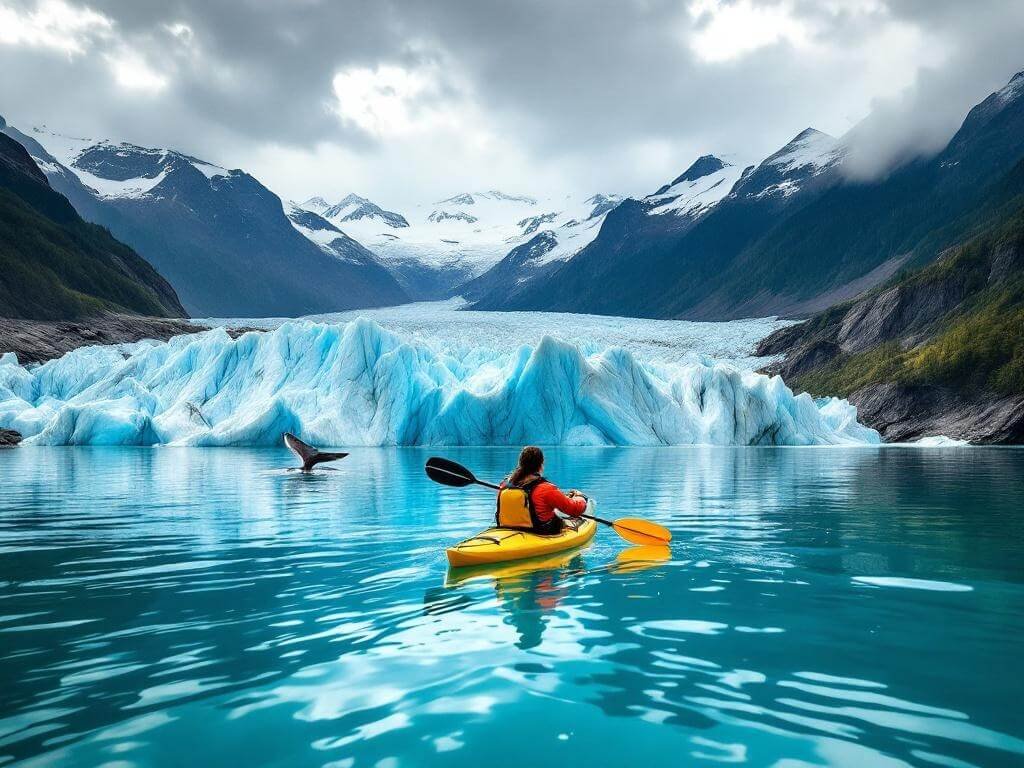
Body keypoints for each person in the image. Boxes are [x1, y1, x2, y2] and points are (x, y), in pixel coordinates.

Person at [496, 446, 588, 534]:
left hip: (506, 528)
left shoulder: (504, 485)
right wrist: (581, 497)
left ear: (520, 464)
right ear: (541, 465)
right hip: (539, 531)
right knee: (576, 521)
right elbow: (574, 509)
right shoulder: (546, 488)